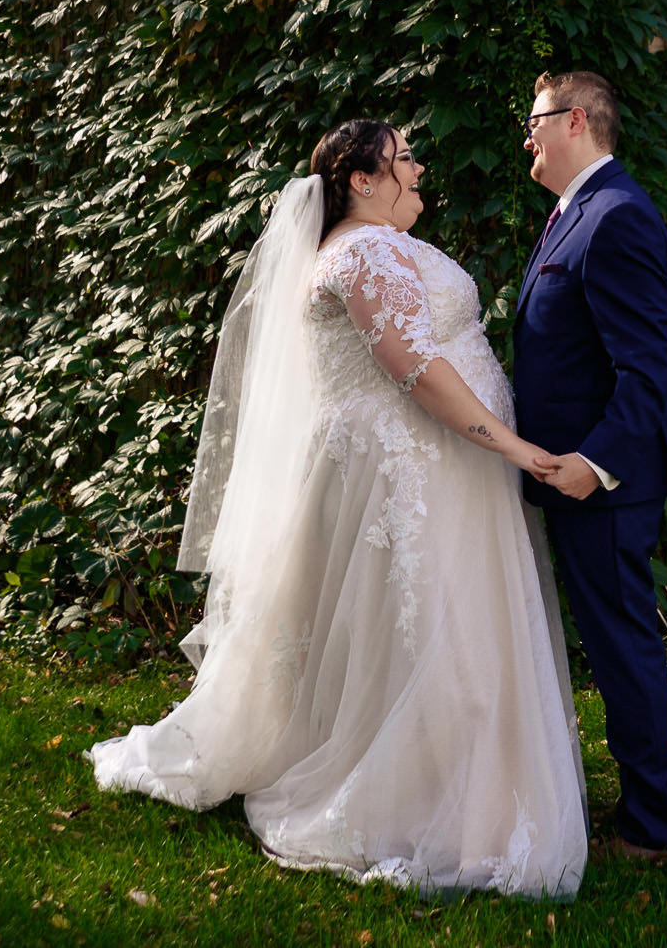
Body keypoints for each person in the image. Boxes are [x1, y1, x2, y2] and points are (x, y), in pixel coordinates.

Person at [88, 121, 588, 898]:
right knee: (425, 639)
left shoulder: (384, 245)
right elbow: (416, 369)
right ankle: (424, 803)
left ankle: (473, 790)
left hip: (441, 472)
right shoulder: (361, 251)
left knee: (450, 632)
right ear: (360, 178)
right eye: (405, 158)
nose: (420, 167)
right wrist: (516, 449)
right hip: (409, 478)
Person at [513, 71, 667, 856]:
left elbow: (648, 369)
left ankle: (656, 824)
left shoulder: (615, 215)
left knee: (622, 648)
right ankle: (654, 806)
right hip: (576, 482)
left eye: (534, 120)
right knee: (615, 644)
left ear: (575, 120)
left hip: (604, 487)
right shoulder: (571, 213)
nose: (527, 135)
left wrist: (595, 463)